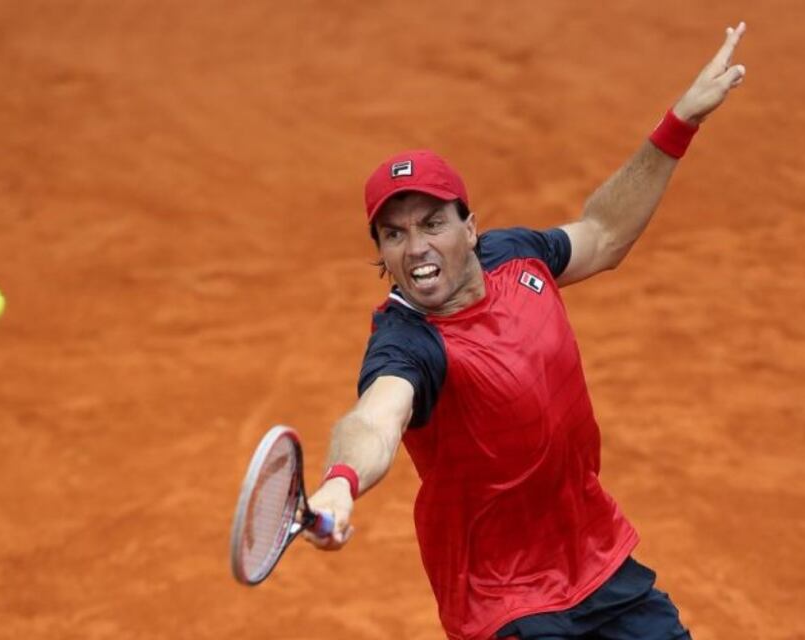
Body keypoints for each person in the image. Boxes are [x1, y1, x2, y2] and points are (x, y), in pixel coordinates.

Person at [303, 22, 748, 640]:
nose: (415, 248)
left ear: (470, 227)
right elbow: (376, 418)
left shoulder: (516, 256)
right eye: (394, 234)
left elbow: (602, 235)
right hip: (505, 603)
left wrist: (680, 123)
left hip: (596, 559)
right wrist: (340, 483)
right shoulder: (407, 343)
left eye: (432, 223)